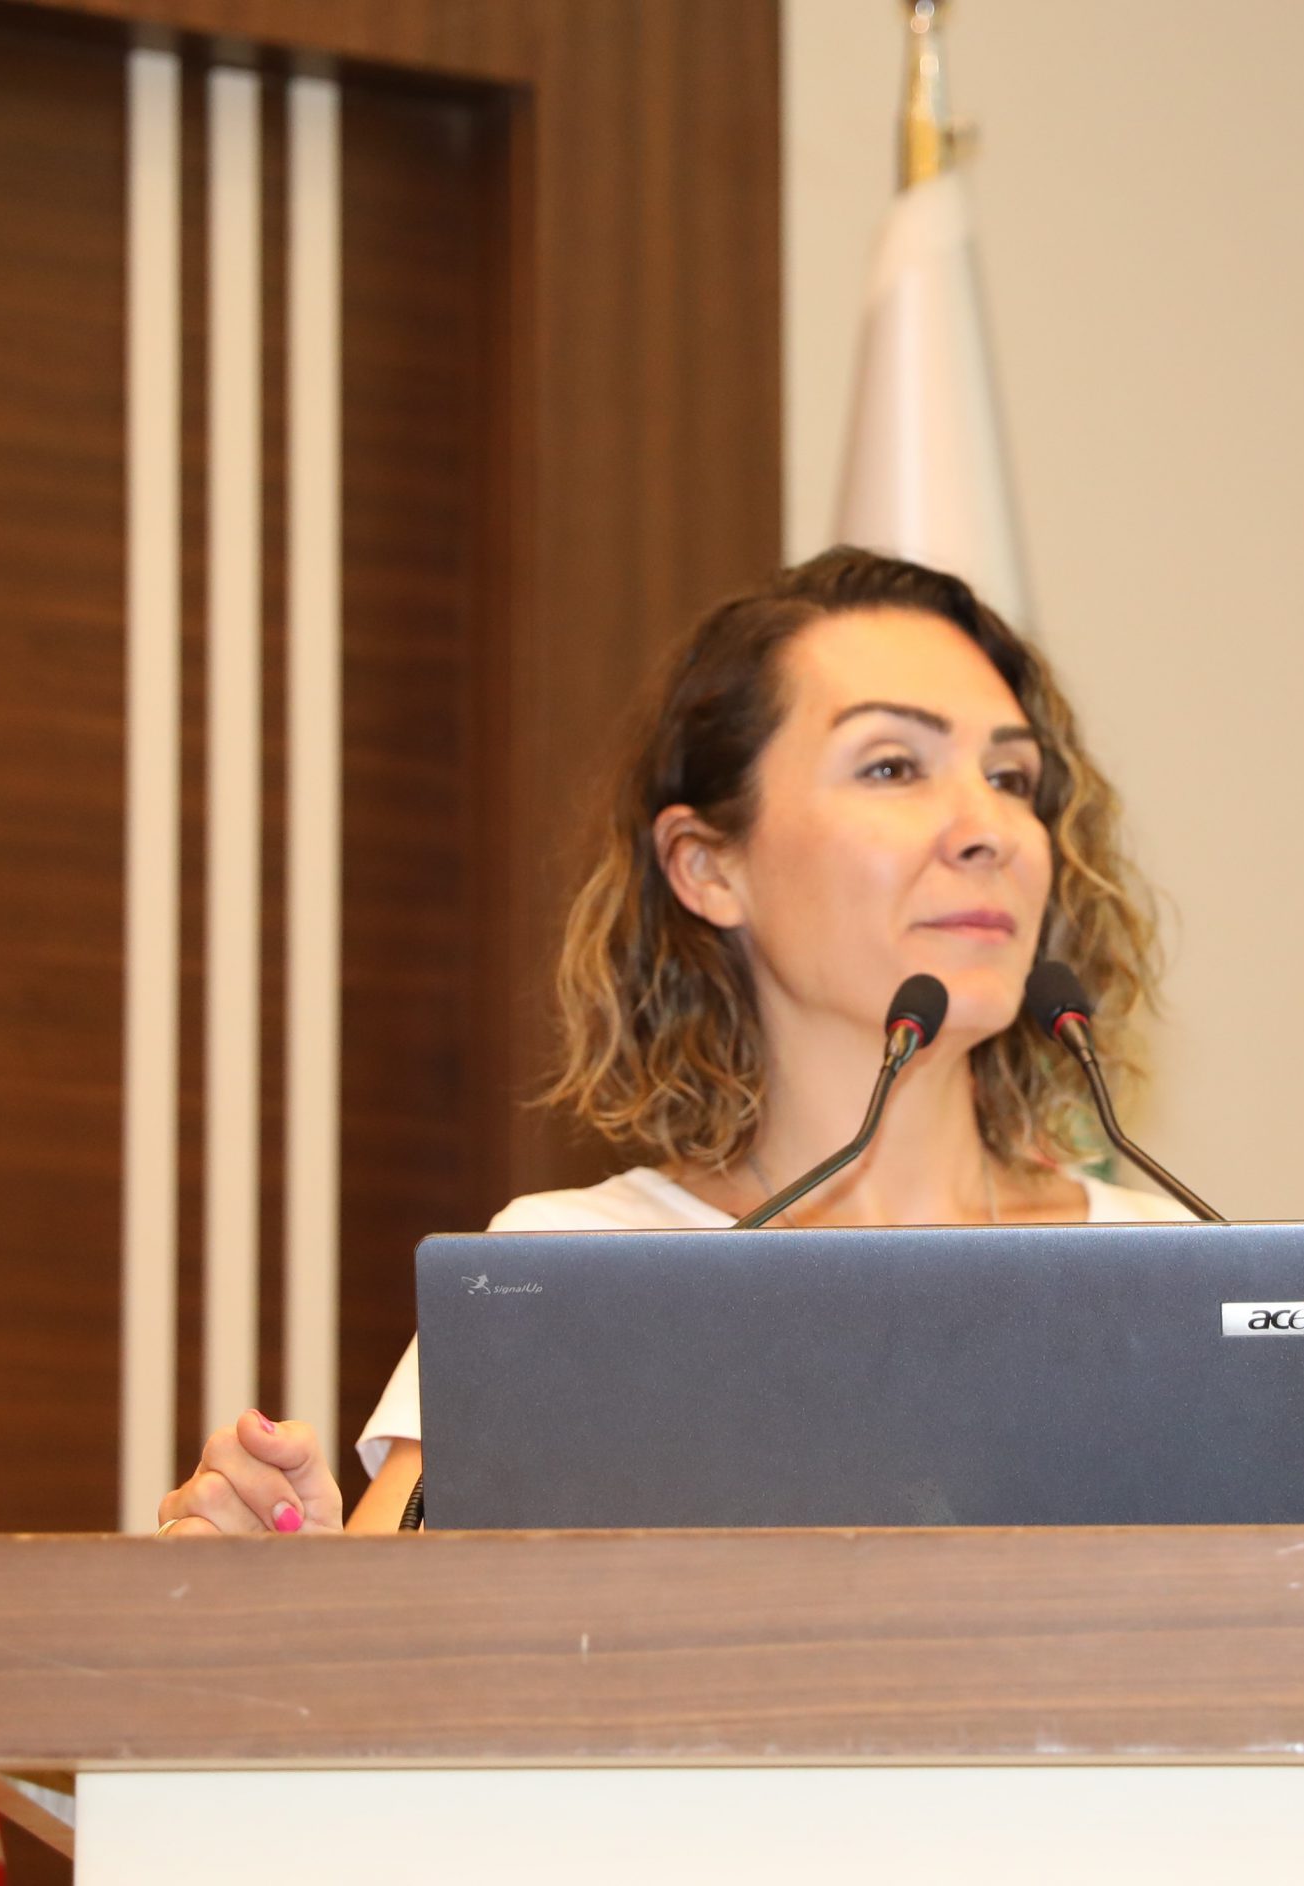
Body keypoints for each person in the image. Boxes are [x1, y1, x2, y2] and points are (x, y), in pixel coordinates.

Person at [156, 546, 1188, 1538]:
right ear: (706, 867)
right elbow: (390, 1635)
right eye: (891, 765)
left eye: (1012, 778)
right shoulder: (572, 1277)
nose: (987, 829)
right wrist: (294, 1587)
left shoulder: (1177, 1272)